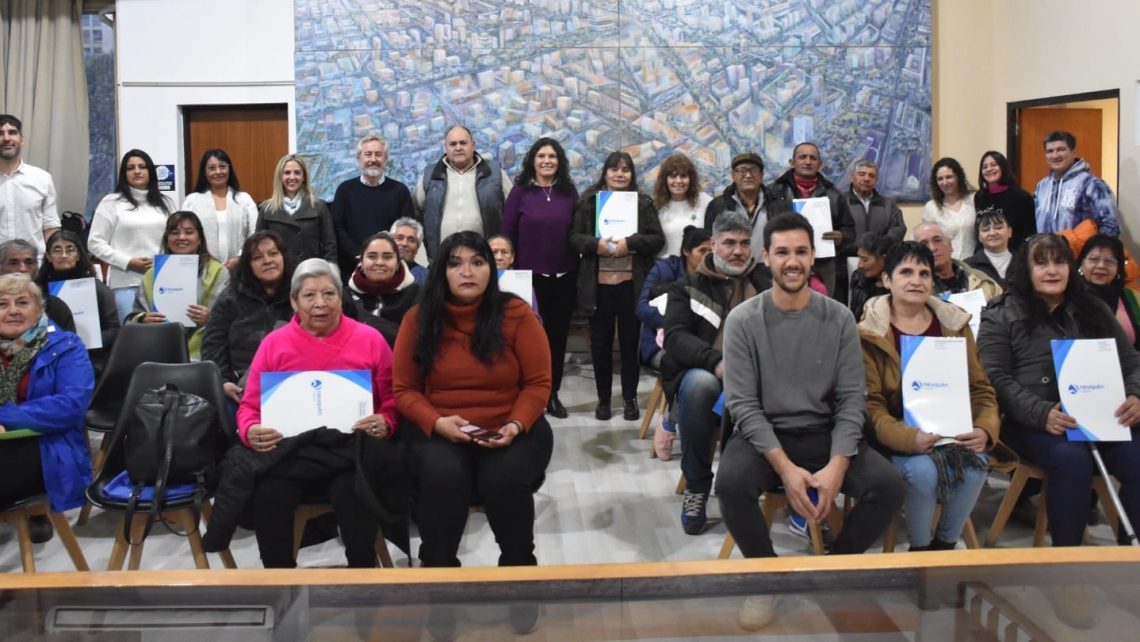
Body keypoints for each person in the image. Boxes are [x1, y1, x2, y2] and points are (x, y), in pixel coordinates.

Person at [715, 213, 904, 630]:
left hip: (824, 431)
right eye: (782, 252)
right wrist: (785, 468)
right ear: (766, 257)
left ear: (813, 255)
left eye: (801, 251)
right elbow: (743, 405)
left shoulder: (838, 318)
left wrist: (837, 466)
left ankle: (834, 568)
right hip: (765, 435)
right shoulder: (743, 321)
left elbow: (853, 399)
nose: (792, 261)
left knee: (888, 486)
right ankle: (765, 578)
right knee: (729, 483)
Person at [978, 234, 1140, 626]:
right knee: (1070, 460)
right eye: (1042, 263)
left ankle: (1126, 565)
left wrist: (1135, 394)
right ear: (1026, 269)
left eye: (1060, 262)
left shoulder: (1093, 310)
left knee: (1137, 456)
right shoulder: (1001, 312)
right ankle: (1068, 573)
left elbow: (1130, 360)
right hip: (1031, 421)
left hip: (1098, 413)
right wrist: (1040, 411)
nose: (1052, 270)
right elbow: (993, 377)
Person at [392, 232, 553, 571]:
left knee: (502, 478)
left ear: (490, 270)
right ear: (441, 272)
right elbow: (405, 389)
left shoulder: (517, 314)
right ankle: (438, 570)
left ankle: (519, 567)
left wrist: (515, 424)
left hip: (510, 426)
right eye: (456, 264)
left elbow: (538, 384)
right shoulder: (418, 319)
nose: (467, 272)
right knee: (445, 475)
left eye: (477, 263)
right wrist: (436, 422)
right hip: (440, 427)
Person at [236, 258, 406, 569]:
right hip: (291, 455)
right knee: (268, 495)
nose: (320, 304)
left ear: (341, 298)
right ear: (293, 301)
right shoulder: (274, 345)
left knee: (355, 492)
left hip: (348, 455)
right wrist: (249, 429)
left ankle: (362, 578)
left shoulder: (370, 339)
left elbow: (393, 399)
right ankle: (279, 584)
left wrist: (387, 420)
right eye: (309, 295)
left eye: (329, 294)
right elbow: (249, 406)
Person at [859, 242, 999, 550]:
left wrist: (985, 429)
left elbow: (980, 390)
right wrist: (910, 439)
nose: (916, 280)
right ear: (886, 280)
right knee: (922, 472)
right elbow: (871, 406)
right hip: (894, 436)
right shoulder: (868, 333)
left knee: (976, 465)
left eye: (924, 273)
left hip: (949, 432)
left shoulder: (954, 324)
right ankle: (919, 550)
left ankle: (945, 545)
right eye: (906, 272)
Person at [664, 212, 772, 530]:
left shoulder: (767, 282)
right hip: (708, 374)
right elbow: (674, 337)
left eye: (743, 243)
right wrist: (715, 361)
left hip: (762, 376)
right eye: (728, 243)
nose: (737, 251)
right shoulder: (687, 287)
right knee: (700, 386)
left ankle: (778, 487)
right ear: (713, 244)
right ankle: (697, 485)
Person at [570, 151, 665, 421]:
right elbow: (574, 237)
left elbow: (656, 239)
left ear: (632, 175)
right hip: (597, 285)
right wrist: (595, 244)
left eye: (625, 170)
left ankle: (630, 399)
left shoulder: (643, 203)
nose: (620, 174)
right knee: (599, 344)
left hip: (630, 285)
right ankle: (602, 399)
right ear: (605, 173)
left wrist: (630, 243)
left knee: (629, 343)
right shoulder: (589, 202)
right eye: (614, 169)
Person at [0, 273, 94, 544]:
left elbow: (69, 406)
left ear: (40, 309)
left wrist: (5, 416)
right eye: (3, 304)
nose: (13, 311)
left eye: (22, 303)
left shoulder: (67, 346)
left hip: (47, 449)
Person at [502, 137, 580, 418]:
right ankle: (524, 396)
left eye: (553, 156)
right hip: (528, 279)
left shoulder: (569, 192)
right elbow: (507, 234)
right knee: (526, 340)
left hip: (564, 276)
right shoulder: (520, 193)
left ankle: (552, 394)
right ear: (532, 161)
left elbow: (577, 232)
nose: (547, 161)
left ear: (559, 161)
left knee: (557, 339)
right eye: (541, 156)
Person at [201, 231, 298, 406]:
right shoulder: (230, 297)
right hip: (240, 388)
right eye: (257, 257)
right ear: (248, 265)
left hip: (294, 383)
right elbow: (213, 343)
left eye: (273, 253)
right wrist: (222, 382)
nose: (267, 260)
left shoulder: (301, 294)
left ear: (283, 257)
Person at [126, 211, 229, 359]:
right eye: (174, 233)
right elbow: (133, 318)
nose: (181, 237)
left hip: (205, 353)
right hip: (158, 351)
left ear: (200, 239)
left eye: (189, 232)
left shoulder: (218, 272)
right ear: (167, 239)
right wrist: (144, 319)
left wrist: (211, 318)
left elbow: (232, 320)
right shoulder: (152, 274)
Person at [87, 148, 174, 322]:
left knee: (165, 336)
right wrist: (128, 262)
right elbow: (94, 243)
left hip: (163, 282)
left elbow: (176, 240)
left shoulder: (166, 202)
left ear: (150, 171)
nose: (137, 171)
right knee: (134, 337)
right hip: (126, 283)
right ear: (124, 174)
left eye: (142, 167)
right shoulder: (111, 202)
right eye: (130, 168)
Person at [767, 142, 855, 297]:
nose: (808, 161)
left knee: (822, 309)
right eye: (802, 157)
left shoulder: (834, 195)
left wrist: (842, 236)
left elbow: (850, 230)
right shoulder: (774, 192)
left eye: (813, 158)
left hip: (824, 264)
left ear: (819, 164)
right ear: (792, 162)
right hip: (785, 261)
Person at [414, 126, 512, 261]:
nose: (458, 148)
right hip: (441, 260)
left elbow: (513, 211)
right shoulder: (429, 175)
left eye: (463, 143)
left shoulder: (495, 173)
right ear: (445, 147)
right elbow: (416, 212)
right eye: (453, 144)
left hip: (484, 259)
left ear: (473, 145)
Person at [331, 135, 414, 278]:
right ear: (359, 159)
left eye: (378, 154)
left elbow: (405, 230)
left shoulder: (400, 191)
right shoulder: (345, 190)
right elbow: (337, 228)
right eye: (368, 154)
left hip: (390, 269)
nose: (373, 160)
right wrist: (358, 255)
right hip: (352, 269)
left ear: (385, 159)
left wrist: (387, 257)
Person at [37, 230, 120, 370]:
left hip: (90, 357)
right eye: (57, 250)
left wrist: (83, 342)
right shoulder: (38, 291)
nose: (64, 255)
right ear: (48, 257)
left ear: (78, 255)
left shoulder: (96, 288)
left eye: (70, 250)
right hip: (46, 358)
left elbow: (113, 329)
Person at [638, 226, 712, 370]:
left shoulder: (715, 274)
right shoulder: (663, 269)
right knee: (695, 366)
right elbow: (641, 308)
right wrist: (680, 320)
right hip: (659, 345)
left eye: (711, 252)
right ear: (686, 251)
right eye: (702, 251)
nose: (707, 256)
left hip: (703, 343)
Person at [1034, 130, 1120, 240]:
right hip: (1046, 255)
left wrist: (1091, 253)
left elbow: (1110, 226)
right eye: (1050, 151)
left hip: (1080, 255)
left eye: (1061, 150)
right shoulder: (1042, 186)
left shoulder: (1090, 184)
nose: (1055, 155)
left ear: (1074, 153)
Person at [182, 149, 258, 269]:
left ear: (229, 169)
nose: (218, 172)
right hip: (202, 267)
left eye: (222, 167)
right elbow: (185, 234)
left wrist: (241, 258)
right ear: (204, 172)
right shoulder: (192, 201)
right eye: (211, 168)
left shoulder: (244, 199)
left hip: (239, 268)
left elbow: (254, 233)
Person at [257, 154, 336, 264]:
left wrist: (330, 270)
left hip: (312, 272)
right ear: (280, 176)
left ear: (304, 177)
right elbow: (260, 246)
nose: (292, 177)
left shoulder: (319, 206)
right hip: (280, 274)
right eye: (287, 173)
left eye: (297, 173)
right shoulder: (266, 209)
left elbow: (330, 245)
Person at [346, 232, 421, 347]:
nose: (380, 262)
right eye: (372, 256)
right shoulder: (343, 296)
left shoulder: (418, 295)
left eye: (387, 257)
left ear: (398, 263)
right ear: (361, 261)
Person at [0, 114, 60, 255]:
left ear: (21, 140)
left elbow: (50, 227)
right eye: (0, 133)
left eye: (13, 133)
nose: (7, 138)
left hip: (33, 267)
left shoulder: (42, 179)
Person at [1077, 234, 1140, 349]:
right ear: (1081, 263)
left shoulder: (1134, 298)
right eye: (1094, 259)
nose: (1101, 266)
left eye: (1109, 261)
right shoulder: (1066, 297)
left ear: (1118, 268)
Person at [912, 221, 1001, 301]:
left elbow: (1004, 312)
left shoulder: (981, 279)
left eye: (937, 240)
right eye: (924, 244)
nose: (932, 248)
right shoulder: (913, 288)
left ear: (950, 245)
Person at [0, 239, 75, 332]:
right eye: (13, 263)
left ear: (37, 268)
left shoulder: (55, 306)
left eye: (29, 262)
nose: (22, 268)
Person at [703, 152, 768, 253]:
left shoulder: (775, 203)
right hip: (729, 267)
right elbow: (708, 242)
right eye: (742, 170)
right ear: (733, 175)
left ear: (761, 175)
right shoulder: (718, 206)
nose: (748, 175)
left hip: (767, 267)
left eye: (754, 170)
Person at [654, 154, 713, 258]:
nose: (678, 181)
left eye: (683, 176)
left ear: (691, 179)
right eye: (673, 176)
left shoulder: (705, 201)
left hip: (698, 267)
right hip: (666, 268)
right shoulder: (656, 206)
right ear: (665, 180)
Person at [973, 150, 1036, 248]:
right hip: (984, 256)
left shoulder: (1021, 197)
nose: (989, 169)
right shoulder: (979, 196)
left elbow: (1029, 233)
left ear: (1003, 167)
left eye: (993, 165)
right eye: (984, 167)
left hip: (1014, 255)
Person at [923, 157, 977, 260]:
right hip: (947, 266)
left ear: (958, 177)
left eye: (949, 177)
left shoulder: (973, 199)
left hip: (974, 265)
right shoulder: (931, 207)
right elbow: (927, 240)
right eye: (940, 179)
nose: (945, 182)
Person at [846, 160, 906, 243]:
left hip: (880, 254)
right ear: (851, 177)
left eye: (872, 176)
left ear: (876, 180)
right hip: (848, 254)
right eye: (862, 174)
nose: (867, 179)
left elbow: (898, 229)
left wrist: (882, 245)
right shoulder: (841, 201)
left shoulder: (888, 204)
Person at [848, 232, 893, 321]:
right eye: (859, 258)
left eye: (865, 259)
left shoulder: (898, 283)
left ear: (883, 259)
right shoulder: (858, 277)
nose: (859, 265)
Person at [965, 208, 1014, 286]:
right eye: (985, 230)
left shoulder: (1023, 262)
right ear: (979, 237)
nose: (992, 233)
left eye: (998, 228)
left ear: (1010, 232)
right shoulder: (968, 266)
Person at [390, 217, 428, 284]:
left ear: (417, 248)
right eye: (399, 238)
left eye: (411, 240)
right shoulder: (379, 270)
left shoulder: (426, 277)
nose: (404, 243)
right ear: (390, 242)